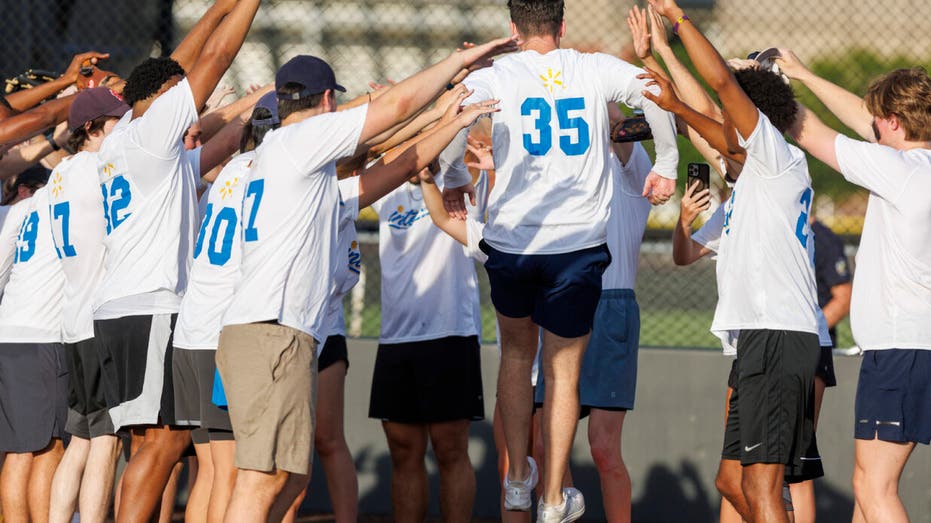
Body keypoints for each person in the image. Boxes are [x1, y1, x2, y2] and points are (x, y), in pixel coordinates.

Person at [216, 36, 517, 520]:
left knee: (287, 476)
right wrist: (459, 62)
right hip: (271, 330)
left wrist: (452, 121)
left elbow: (398, 167)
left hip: (275, 332)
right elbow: (394, 108)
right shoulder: (299, 141)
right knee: (262, 479)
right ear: (328, 101)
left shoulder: (304, 175)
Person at [438, 2, 679, 520]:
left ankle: (518, 479)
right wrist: (667, 163)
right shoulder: (591, 68)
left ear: (513, 29)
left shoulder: (499, 73)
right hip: (576, 245)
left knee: (517, 357)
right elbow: (656, 90)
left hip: (513, 243)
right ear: (562, 26)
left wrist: (452, 172)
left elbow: (455, 111)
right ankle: (551, 496)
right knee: (563, 372)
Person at [91, 0, 261, 520]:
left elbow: (180, 73)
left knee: (146, 446)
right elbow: (218, 55)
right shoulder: (152, 132)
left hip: (119, 308)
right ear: (159, 100)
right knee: (164, 444)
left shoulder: (125, 138)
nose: (185, 98)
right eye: (175, 93)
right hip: (152, 306)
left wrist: (218, 7)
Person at [779, 51, 931, 523]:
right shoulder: (915, 168)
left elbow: (808, 131)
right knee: (867, 490)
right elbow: (869, 124)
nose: (873, 129)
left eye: (878, 123)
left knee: (873, 485)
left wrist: (765, 86)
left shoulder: (900, 172)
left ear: (892, 123)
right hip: (908, 346)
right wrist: (804, 73)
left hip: (901, 347)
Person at [43, 87, 129, 523]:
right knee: (105, 441)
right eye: (116, 119)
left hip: (73, 321)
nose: (125, 123)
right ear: (92, 129)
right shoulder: (99, 167)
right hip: (98, 321)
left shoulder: (61, 171)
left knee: (80, 440)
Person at [0, 180, 66, 522]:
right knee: (47, 448)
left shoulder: (18, 211)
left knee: (18, 450)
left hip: (9, 331)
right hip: (44, 333)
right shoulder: (66, 198)